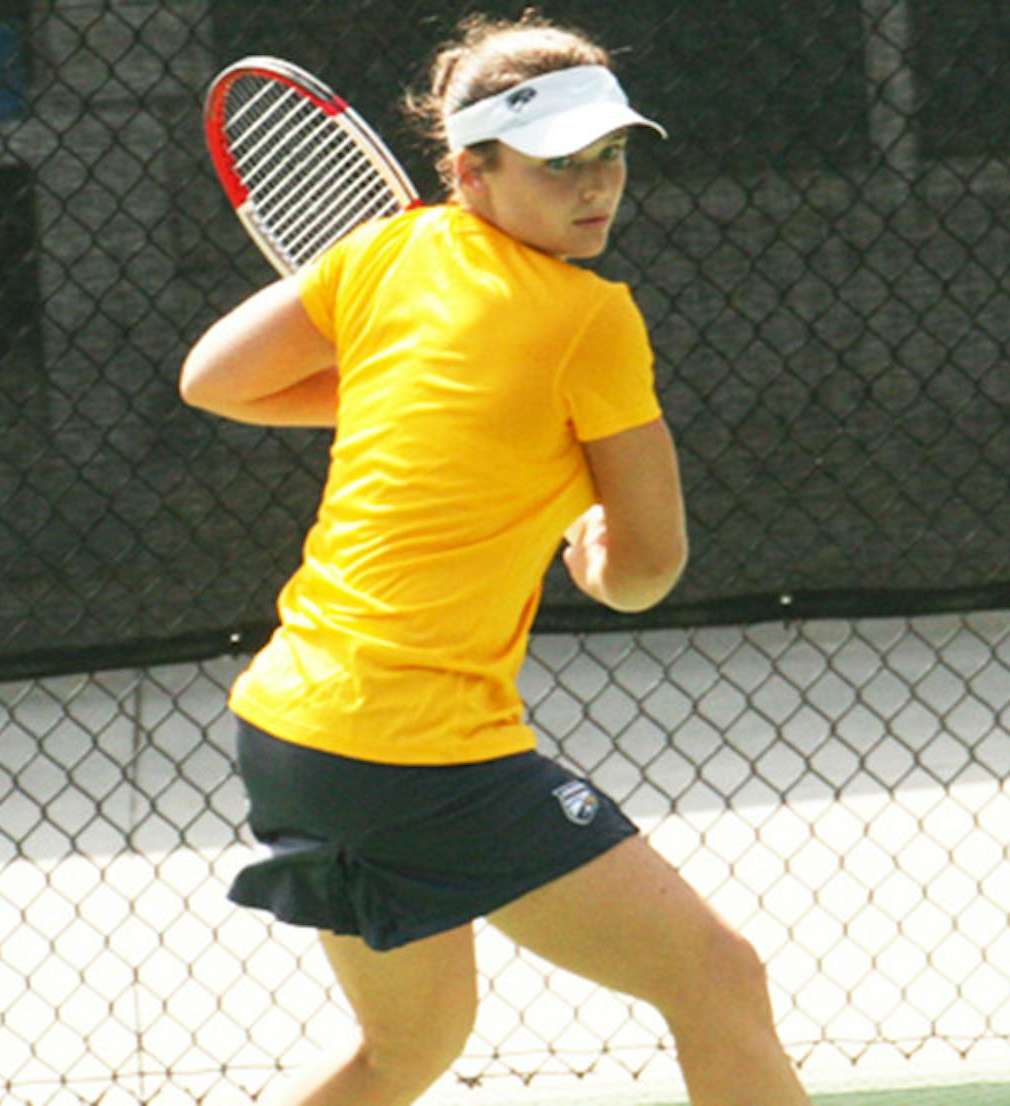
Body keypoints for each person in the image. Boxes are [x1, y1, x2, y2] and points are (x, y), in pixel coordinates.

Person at [179, 13, 812, 1106]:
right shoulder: (590, 317)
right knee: (716, 980)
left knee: (405, 1050)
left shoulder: (383, 252)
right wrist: (595, 550)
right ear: (470, 170)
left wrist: (422, 400)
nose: (595, 186)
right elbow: (647, 567)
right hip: (414, 747)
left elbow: (215, 378)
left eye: (609, 154)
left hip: (291, 729)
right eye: (558, 164)